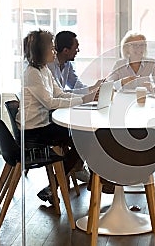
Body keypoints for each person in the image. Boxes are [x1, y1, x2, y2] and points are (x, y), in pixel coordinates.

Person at [17, 29, 97, 204]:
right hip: (33, 132)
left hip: (42, 125)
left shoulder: (43, 70)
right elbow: (51, 103)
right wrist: (84, 99)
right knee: (83, 137)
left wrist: (85, 99)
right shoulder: (32, 73)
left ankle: (58, 183)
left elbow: (59, 94)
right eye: (51, 49)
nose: (54, 51)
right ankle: (63, 180)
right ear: (41, 51)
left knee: (83, 137)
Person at [47, 30, 103, 183]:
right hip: (50, 117)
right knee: (86, 138)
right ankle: (70, 175)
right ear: (65, 50)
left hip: (61, 108)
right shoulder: (49, 68)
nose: (78, 50)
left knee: (87, 136)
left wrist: (93, 88)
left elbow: (76, 86)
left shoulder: (67, 65)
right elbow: (60, 95)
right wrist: (87, 96)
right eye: (76, 47)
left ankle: (80, 170)